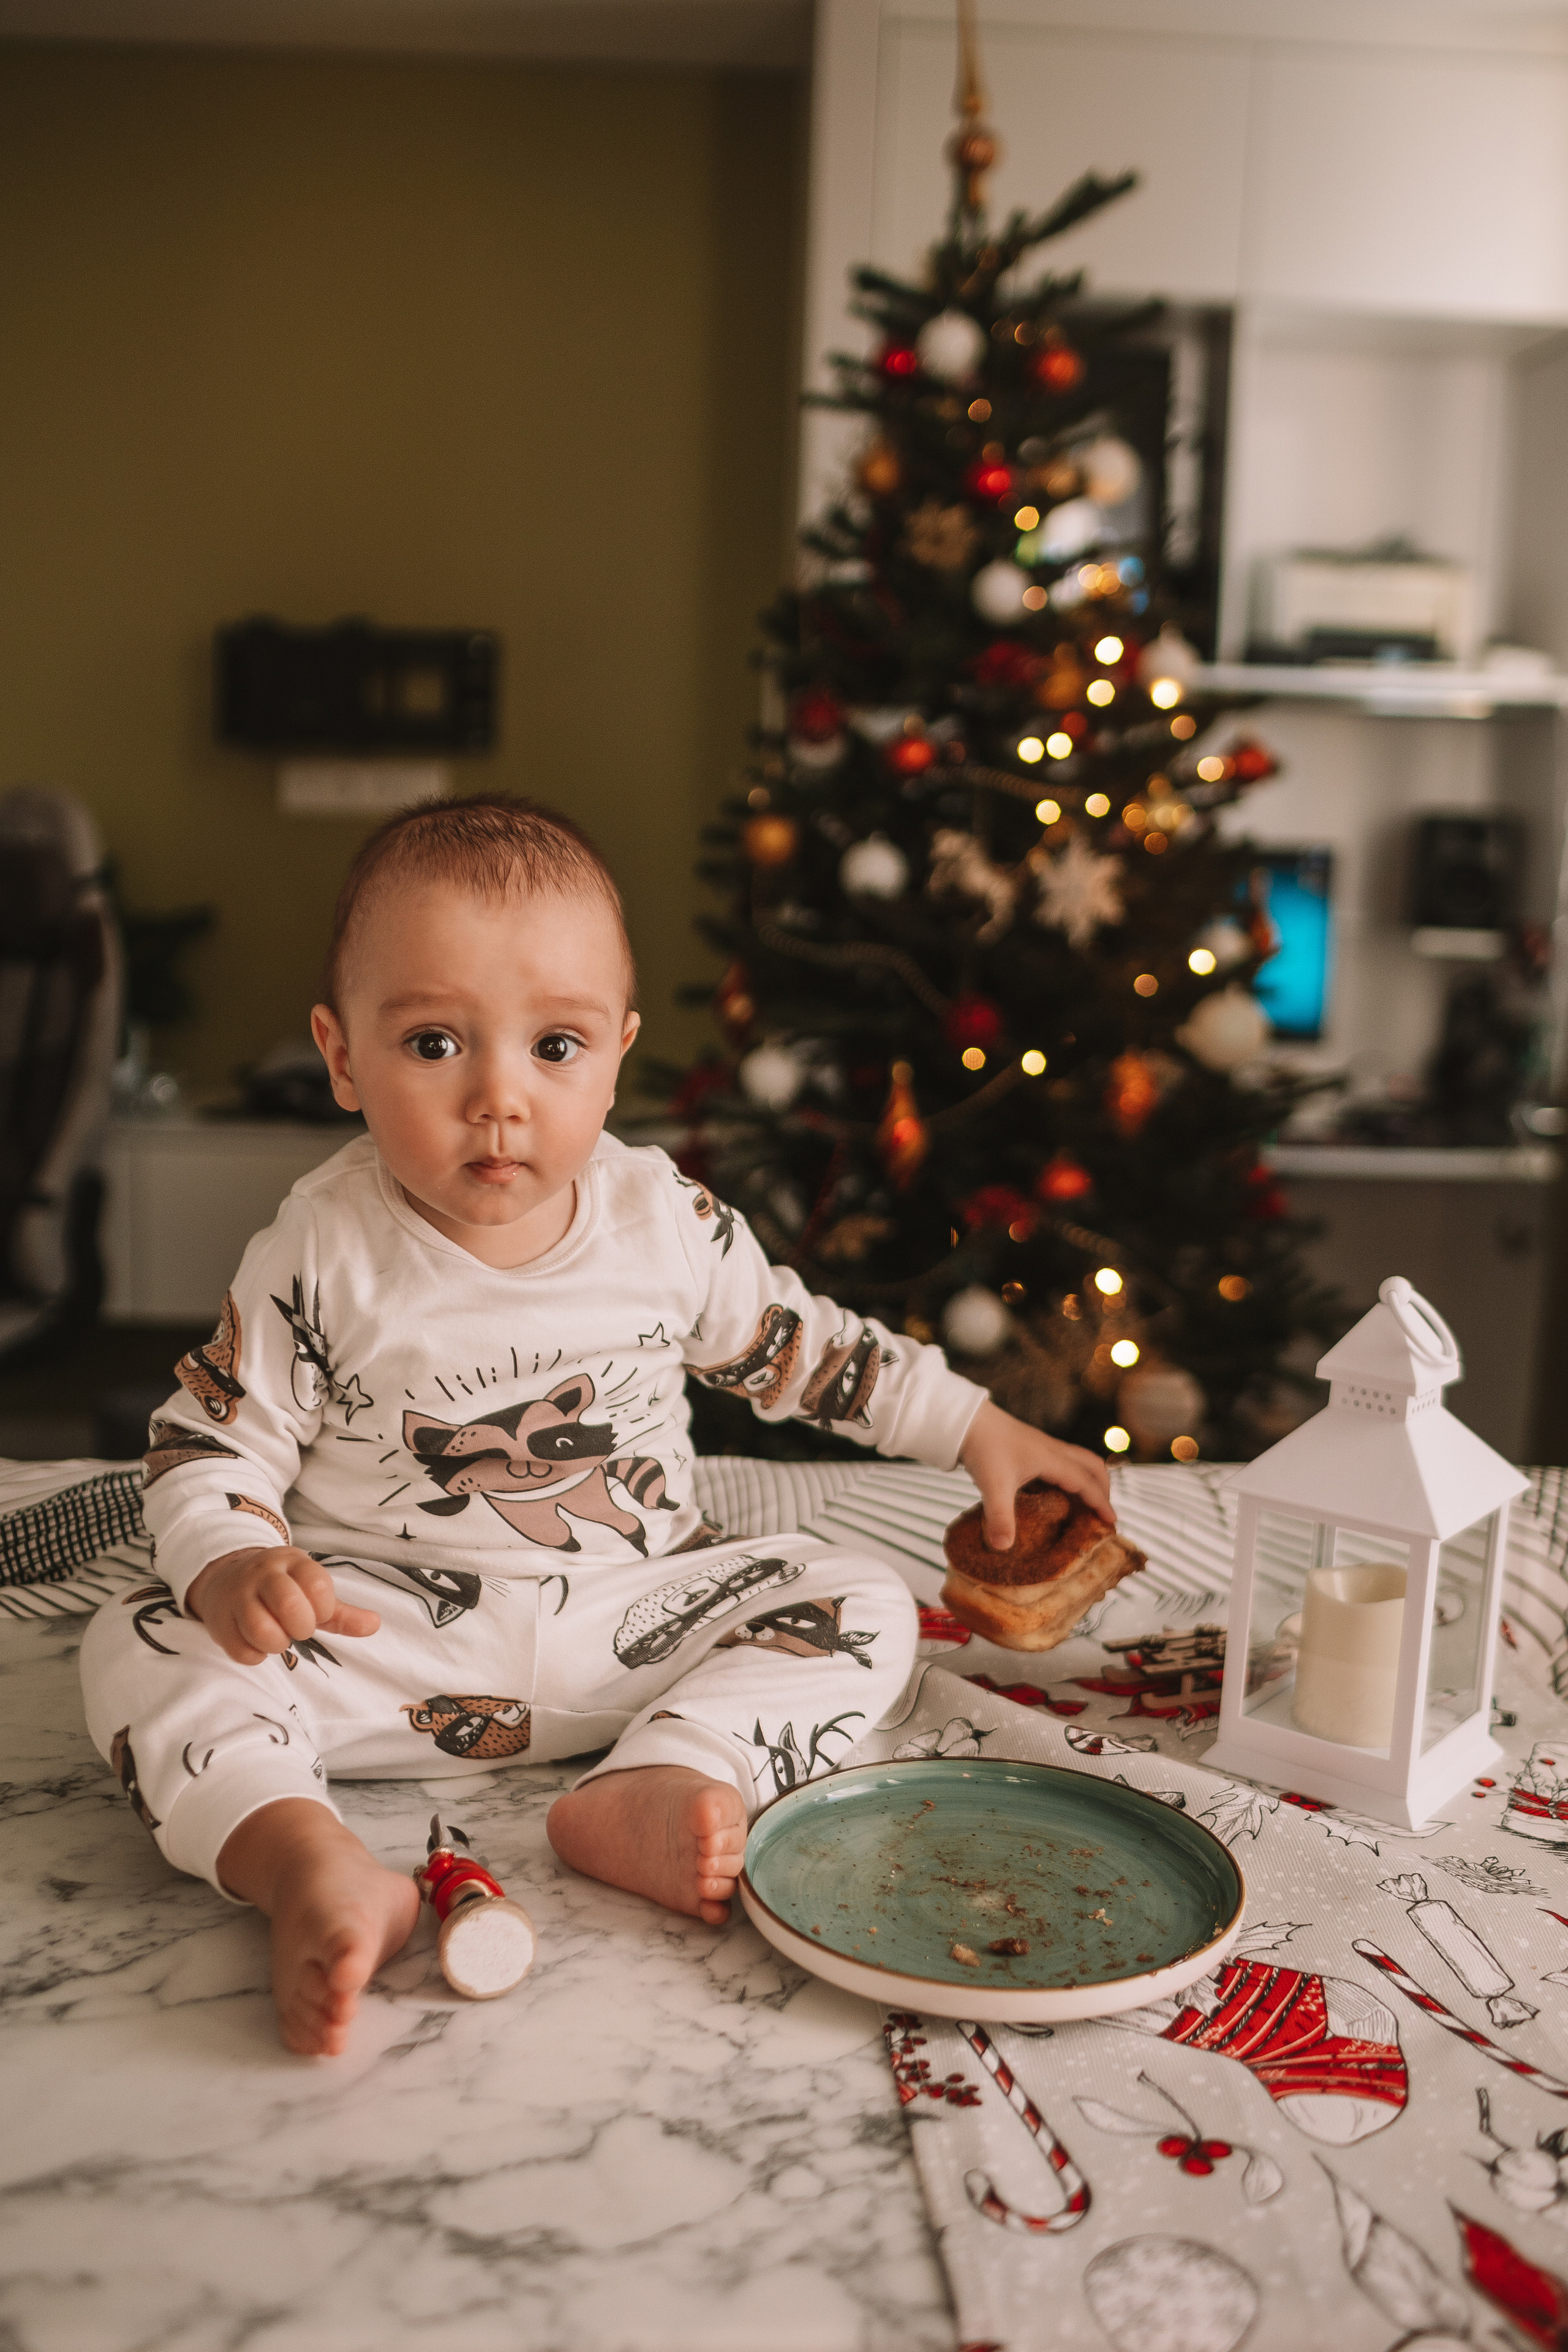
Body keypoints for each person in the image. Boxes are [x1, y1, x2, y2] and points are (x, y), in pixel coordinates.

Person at [80, 795, 1112, 2057]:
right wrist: (234, 1559)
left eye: (554, 1048)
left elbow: (803, 1349)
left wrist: (968, 1426)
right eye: (433, 1045)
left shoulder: (658, 1218)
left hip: (636, 1629)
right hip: (389, 1645)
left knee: (860, 1598)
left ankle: (663, 1774)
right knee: (139, 1639)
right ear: (341, 1055)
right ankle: (306, 1860)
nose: (499, 1099)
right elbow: (212, 1442)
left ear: (617, 1053)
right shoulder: (323, 1245)